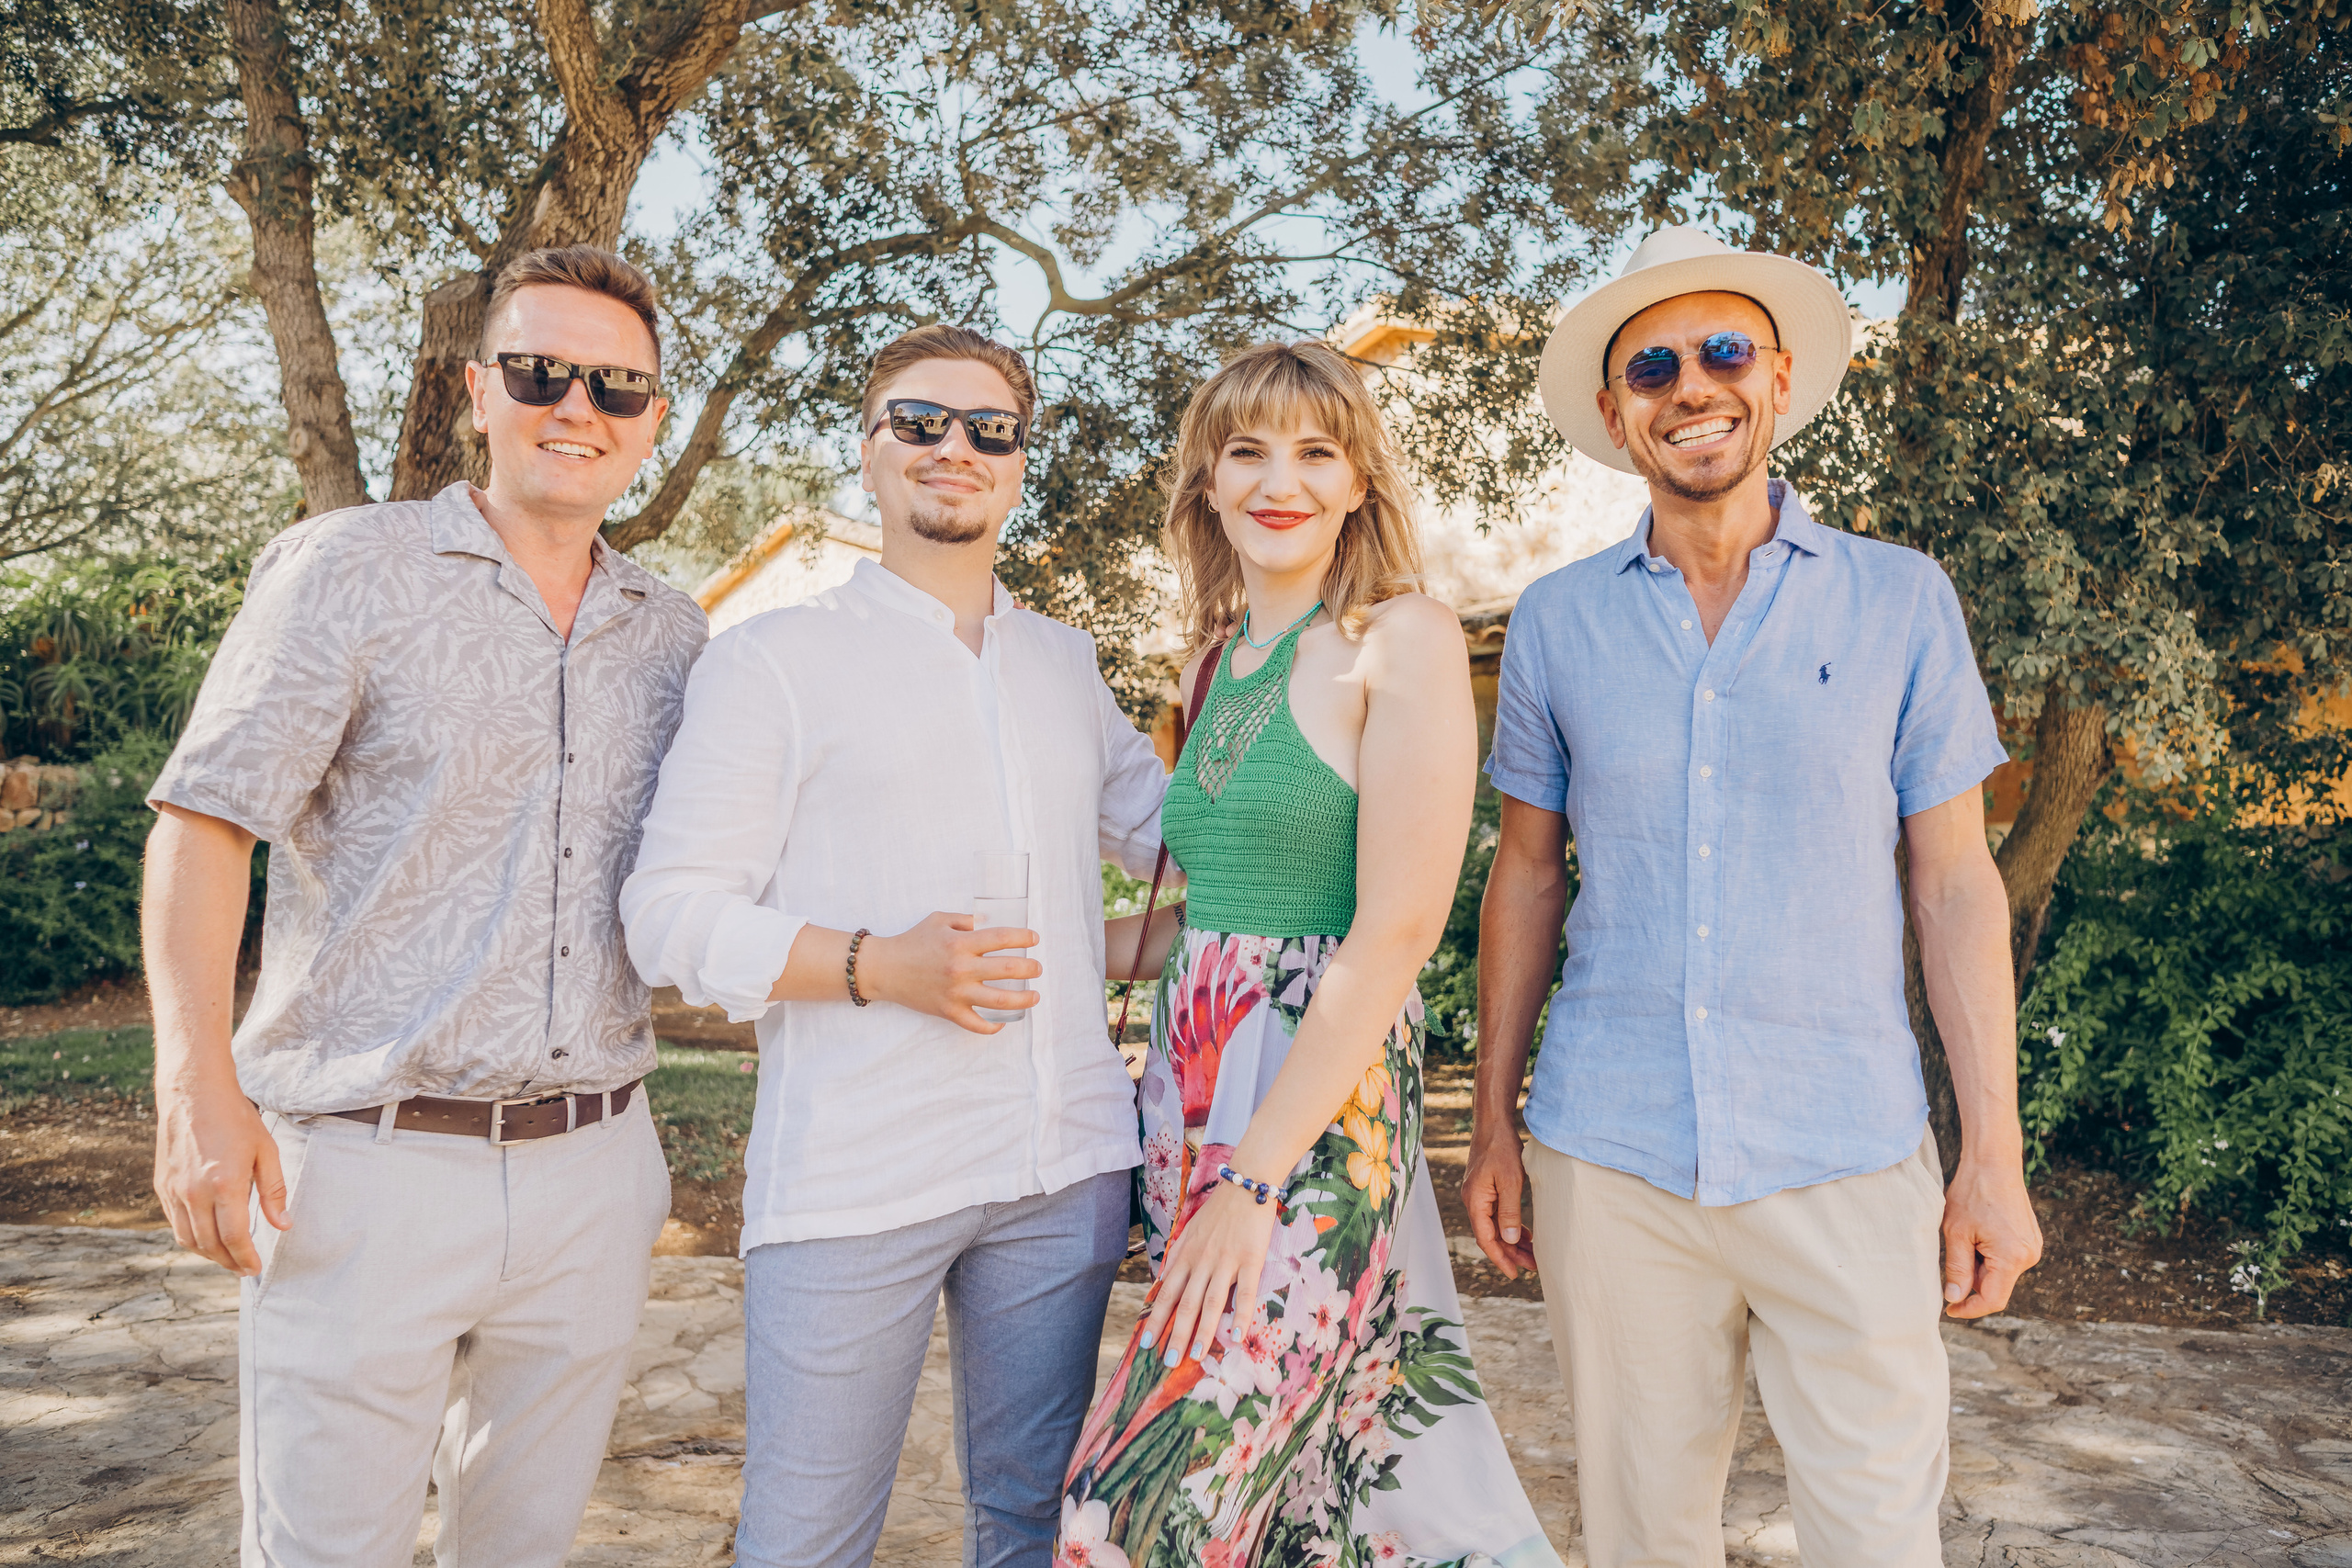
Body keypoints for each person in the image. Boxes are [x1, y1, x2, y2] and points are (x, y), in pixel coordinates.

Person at [1464, 225, 2045, 1568]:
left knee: (1880, 1540)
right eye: (1654, 366)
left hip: (1845, 1148)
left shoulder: (1901, 600)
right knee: (1640, 1540)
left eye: (1724, 351)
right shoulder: (1558, 621)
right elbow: (1527, 872)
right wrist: (1493, 1124)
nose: (1692, 385)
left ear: (1778, 379)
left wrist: (1993, 1160)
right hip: (1615, 1156)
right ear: (1617, 416)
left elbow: (1956, 883)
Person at [142, 244, 707, 1566]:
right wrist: (194, 1091)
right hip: (365, 1163)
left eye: (616, 387)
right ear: (478, 391)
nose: (578, 407)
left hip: (595, 1169)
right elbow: (203, 824)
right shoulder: (348, 568)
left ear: (651, 422)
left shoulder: (677, 635)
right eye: (541, 372)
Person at [617, 323, 1169, 1568]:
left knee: (1037, 1528)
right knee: (807, 1541)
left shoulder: (1063, 663)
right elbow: (668, 914)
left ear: (1021, 465)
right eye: (919, 422)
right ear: (869, 456)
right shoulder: (776, 661)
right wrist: (879, 965)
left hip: (1063, 1165)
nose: (954, 449)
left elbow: (1184, 854)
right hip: (854, 1179)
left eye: (989, 430)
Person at [1056, 341, 1563, 1568]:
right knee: (1306, 1487)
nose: (1280, 479)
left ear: (1356, 485)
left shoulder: (1405, 638)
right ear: (1207, 487)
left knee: (1144, 1509)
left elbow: (1393, 928)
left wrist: (1255, 1179)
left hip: (1306, 1113)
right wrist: (1049, 950)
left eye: (1315, 453)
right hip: (1190, 1093)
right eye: (1248, 452)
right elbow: (1212, 914)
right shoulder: (1211, 665)